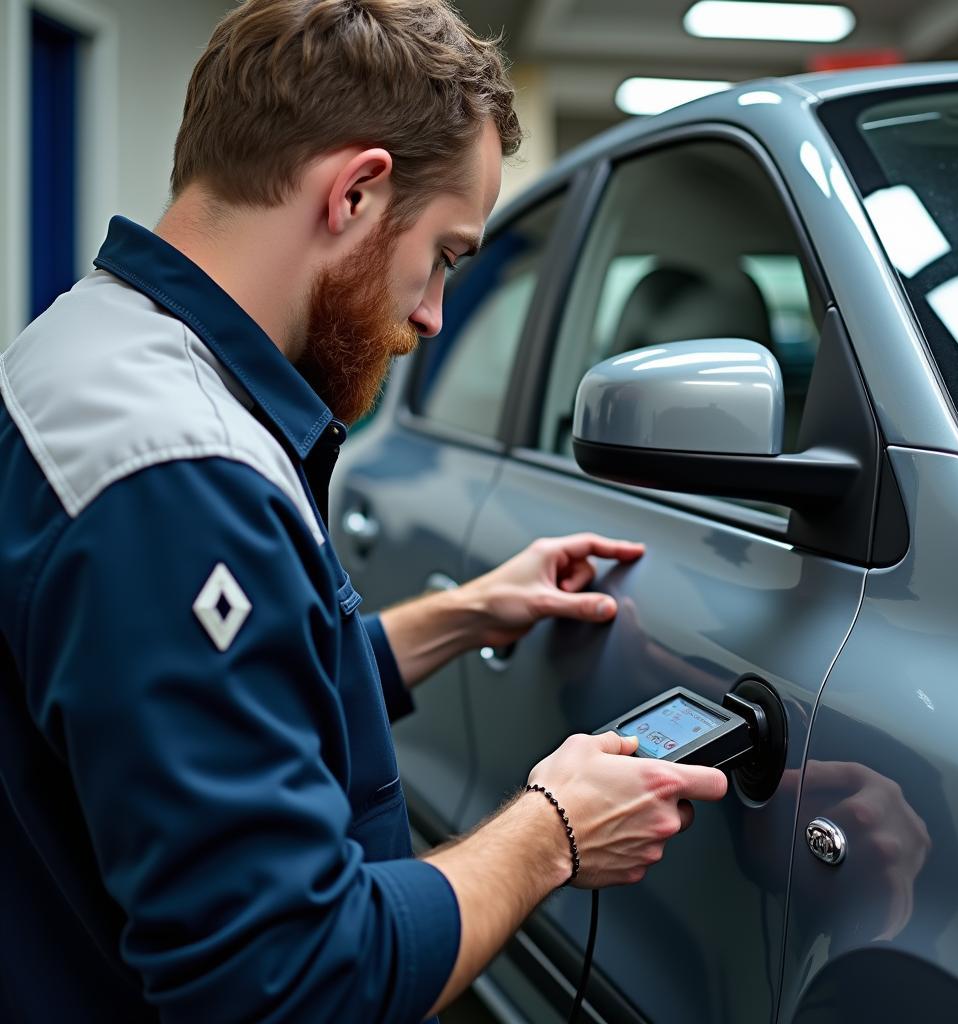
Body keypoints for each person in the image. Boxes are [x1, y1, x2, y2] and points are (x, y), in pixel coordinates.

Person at [0, 2, 728, 1021]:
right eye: (443, 255)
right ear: (354, 192)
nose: (430, 314)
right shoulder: (174, 480)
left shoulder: (94, 346)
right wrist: (548, 831)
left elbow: (212, 699)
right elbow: (295, 980)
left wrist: (463, 613)